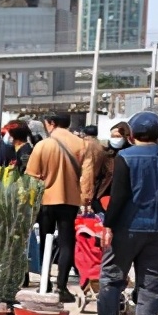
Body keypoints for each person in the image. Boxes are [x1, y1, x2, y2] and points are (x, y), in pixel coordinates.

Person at [88, 112, 158, 315]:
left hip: (128, 227)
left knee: (112, 277)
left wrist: (108, 225)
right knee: (152, 284)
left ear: (132, 135)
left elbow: (120, 196)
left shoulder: (125, 157)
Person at [25, 113, 95, 300]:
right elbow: (87, 177)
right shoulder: (82, 145)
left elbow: (31, 175)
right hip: (71, 200)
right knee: (66, 243)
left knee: (45, 241)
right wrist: (86, 199)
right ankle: (62, 286)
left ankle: (45, 282)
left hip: (46, 200)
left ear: (51, 124)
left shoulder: (42, 145)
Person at [89, 121, 132, 213]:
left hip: (124, 199)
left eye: (118, 136)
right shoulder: (104, 155)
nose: (115, 139)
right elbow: (94, 176)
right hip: (102, 196)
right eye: (113, 136)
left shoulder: (131, 156)